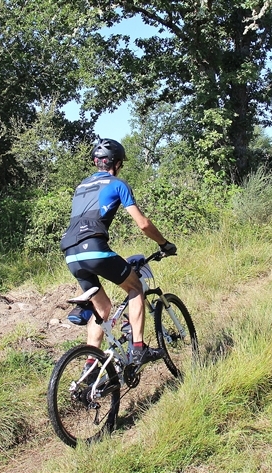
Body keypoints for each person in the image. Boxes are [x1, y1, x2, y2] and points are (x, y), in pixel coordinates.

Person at [60, 138, 177, 372]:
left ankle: (90, 368)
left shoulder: (81, 186)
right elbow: (143, 224)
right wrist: (164, 244)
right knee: (136, 288)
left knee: (101, 309)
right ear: (117, 163)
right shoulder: (117, 184)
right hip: (93, 249)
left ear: (96, 162)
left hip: (70, 253)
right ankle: (138, 347)